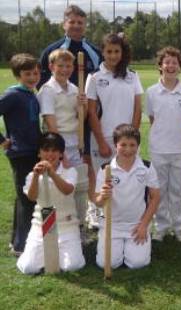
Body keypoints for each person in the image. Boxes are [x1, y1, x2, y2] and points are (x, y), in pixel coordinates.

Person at [38, 4, 102, 230]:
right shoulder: (52, 51)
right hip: (60, 130)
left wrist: (84, 108)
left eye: (80, 22)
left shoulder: (93, 50)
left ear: (85, 25)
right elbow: (44, 89)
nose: (76, 26)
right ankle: (58, 222)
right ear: (64, 23)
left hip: (84, 120)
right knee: (61, 175)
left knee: (87, 169)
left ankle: (89, 214)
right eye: (72, 22)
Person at [86, 33, 143, 227]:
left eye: (116, 51)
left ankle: (123, 216)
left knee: (126, 177)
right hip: (103, 137)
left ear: (122, 52)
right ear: (102, 52)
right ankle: (96, 213)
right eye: (109, 51)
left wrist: (133, 135)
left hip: (126, 139)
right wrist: (101, 141)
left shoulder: (132, 75)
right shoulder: (94, 77)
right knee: (101, 176)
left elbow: (138, 107)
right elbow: (91, 112)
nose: (112, 55)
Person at [17, 132, 85, 274]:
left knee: (72, 266)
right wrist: (36, 176)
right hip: (41, 225)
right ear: (39, 153)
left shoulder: (70, 172)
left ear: (61, 154)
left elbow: (67, 190)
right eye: (46, 150)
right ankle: (40, 253)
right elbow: (31, 197)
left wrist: (52, 173)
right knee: (28, 268)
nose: (50, 154)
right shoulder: (31, 175)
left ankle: (62, 251)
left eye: (54, 150)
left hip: (67, 225)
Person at [145, 47, 181, 242]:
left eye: (174, 62)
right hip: (158, 148)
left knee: (177, 190)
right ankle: (162, 226)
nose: (170, 66)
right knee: (159, 189)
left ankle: (178, 225)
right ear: (160, 66)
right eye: (167, 62)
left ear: (180, 67)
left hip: (180, 148)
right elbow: (151, 117)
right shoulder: (151, 92)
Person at [95, 124, 160, 269]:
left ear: (138, 146)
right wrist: (103, 196)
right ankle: (115, 248)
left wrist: (144, 225)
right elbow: (98, 202)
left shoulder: (147, 167)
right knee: (107, 264)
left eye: (132, 145)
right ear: (115, 145)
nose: (128, 149)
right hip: (111, 225)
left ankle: (131, 248)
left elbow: (155, 198)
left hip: (136, 225)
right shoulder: (105, 169)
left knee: (138, 263)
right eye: (123, 145)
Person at [0, 53, 41, 256]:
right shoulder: (13, 95)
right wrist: (2, 140)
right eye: (27, 74)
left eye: (35, 73)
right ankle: (21, 246)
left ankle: (17, 240)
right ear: (18, 75)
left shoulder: (31, 93)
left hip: (33, 151)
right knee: (27, 198)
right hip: (20, 153)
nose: (33, 77)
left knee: (23, 197)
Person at [37, 49, 88, 167]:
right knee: (57, 182)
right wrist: (61, 153)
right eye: (60, 66)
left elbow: (81, 118)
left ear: (73, 67)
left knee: (76, 181)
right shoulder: (48, 90)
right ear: (51, 67)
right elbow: (51, 125)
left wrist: (84, 105)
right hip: (55, 145)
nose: (65, 69)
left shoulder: (74, 89)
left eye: (68, 66)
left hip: (75, 142)